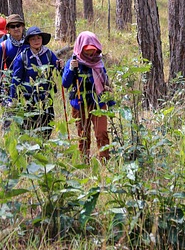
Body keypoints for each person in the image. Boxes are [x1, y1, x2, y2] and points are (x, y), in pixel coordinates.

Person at [62, 31, 113, 161]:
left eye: (93, 50)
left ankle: (104, 161)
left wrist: (111, 102)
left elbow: (105, 83)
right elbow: (65, 83)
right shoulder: (72, 62)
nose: (91, 54)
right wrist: (71, 70)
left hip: (98, 102)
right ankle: (85, 161)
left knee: (101, 133)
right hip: (79, 104)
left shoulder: (98, 63)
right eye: (87, 51)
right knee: (83, 134)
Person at [9, 26, 62, 138]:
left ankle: (43, 149)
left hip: (46, 98)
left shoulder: (49, 54)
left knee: (46, 126)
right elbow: (16, 79)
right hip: (28, 99)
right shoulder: (23, 57)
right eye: (33, 39)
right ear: (28, 41)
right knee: (27, 127)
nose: (36, 41)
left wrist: (60, 67)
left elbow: (56, 72)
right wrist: (12, 99)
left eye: (38, 38)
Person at [0, 14, 26, 102]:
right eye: (12, 26)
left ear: (22, 27)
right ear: (8, 29)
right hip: (10, 86)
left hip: (30, 86)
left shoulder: (30, 44)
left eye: (18, 25)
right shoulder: (3, 46)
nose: (16, 28)